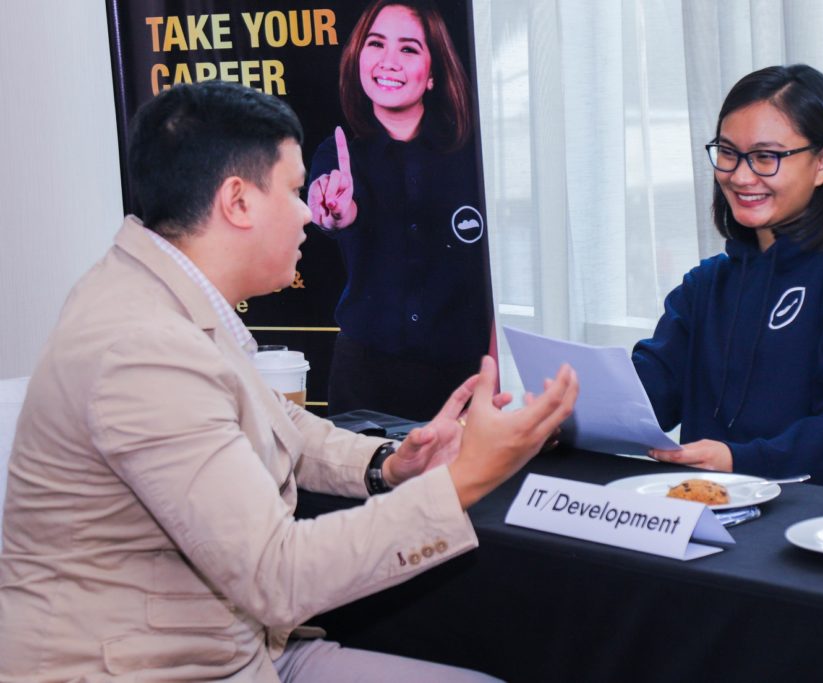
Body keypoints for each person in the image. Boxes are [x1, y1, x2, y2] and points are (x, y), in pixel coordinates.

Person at [0, 80, 577, 682]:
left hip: (238, 645)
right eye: (295, 189)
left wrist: (390, 463)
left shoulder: (158, 289)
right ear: (238, 202)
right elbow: (278, 576)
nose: (308, 212)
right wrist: (467, 477)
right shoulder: (142, 347)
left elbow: (271, 420)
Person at [632, 64, 823, 489]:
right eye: (729, 153)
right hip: (711, 516)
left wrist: (737, 461)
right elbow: (648, 396)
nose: (740, 176)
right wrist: (562, 415)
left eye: (766, 157)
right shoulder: (707, 284)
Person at [307, 0, 491, 421]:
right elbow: (333, 210)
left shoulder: (478, 157)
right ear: (358, 58)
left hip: (462, 378)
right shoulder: (338, 155)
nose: (389, 62)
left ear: (432, 73)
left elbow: (504, 282)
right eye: (376, 44)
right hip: (363, 378)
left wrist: (493, 374)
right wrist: (333, 212)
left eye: (408, 49)